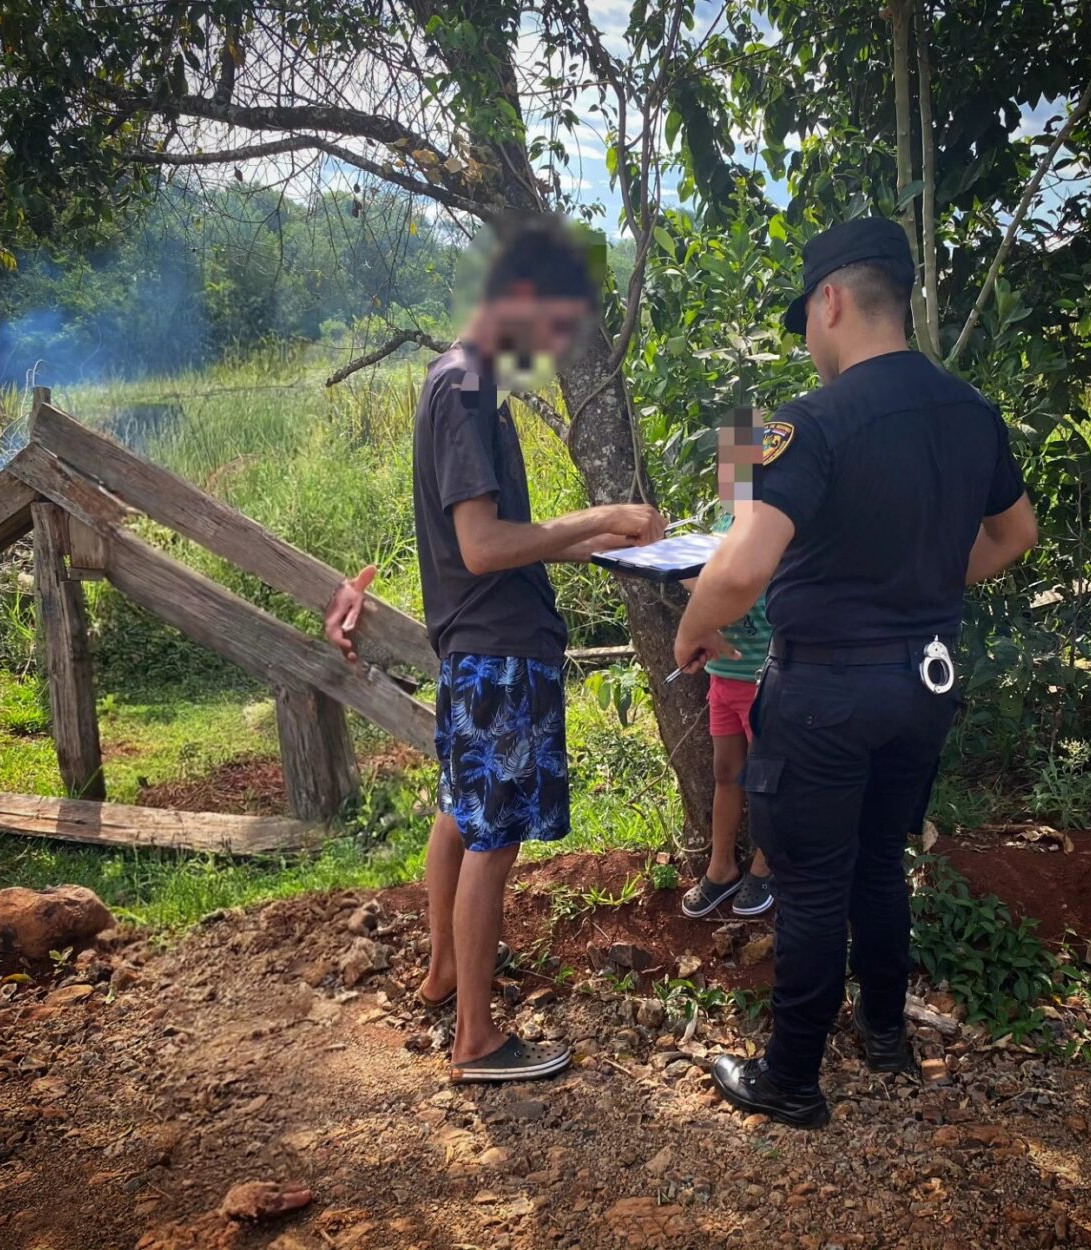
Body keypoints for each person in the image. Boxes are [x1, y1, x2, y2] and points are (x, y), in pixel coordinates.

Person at [673, 216, 1038, 1127]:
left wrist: (694, 627)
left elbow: (745, 564)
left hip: (829, 689)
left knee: (808, 881)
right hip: (926, 683)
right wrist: (918, 583)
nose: (806, 335)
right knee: (879, 864)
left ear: (831, 300)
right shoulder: (971, 412)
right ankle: (884, 1036)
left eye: (806, 315)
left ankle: (791, 1077)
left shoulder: (810, 423)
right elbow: (1016, 536)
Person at [326, 216, 666, 1083]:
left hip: (483, 645)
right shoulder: (468, 387)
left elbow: (508, 537)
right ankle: (477, 1041)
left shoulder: (459, 383)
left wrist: (619, 542)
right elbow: (482, 545)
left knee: (460, 813)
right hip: (500, 649)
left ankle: (447, 974)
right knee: (495, 837)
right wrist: (596, 519)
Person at [681, 506, 776, 919]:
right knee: (726, 771)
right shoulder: (724, 520)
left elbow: (739, 585)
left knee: (766, 779)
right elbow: (711, 586)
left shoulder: (775, 519)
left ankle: (766, 863)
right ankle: (721, 866)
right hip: (724, 675)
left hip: (763, 678)